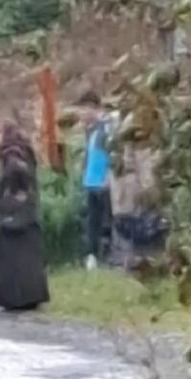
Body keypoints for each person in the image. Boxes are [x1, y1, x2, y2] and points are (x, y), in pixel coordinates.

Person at [0, 120, 50, 311]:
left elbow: (17, 176)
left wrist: (5, 196)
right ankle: (28, 296)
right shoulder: (21, 151)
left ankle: (17, 298)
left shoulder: (12, 154)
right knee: (26, 258)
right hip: (25, 215)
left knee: (15, 259)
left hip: (15, 215)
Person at [78, 90, 113, 270]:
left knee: (106, 220)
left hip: (103, 181)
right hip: (90, 181)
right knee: (92, 222)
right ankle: (92, 256)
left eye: (86, 109)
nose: (82, 114)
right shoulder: (89, 131)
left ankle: (108, 256)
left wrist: (109, 174)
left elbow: (111, 152)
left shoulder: (105, 129)